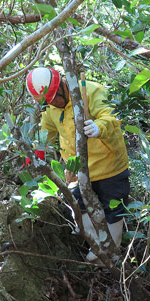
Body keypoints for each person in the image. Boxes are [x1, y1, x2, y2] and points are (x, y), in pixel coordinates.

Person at [25, 66, 130, 261]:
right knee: (77, 207)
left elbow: (111, 116)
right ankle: (98, 247)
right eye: (48, 100)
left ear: (63, 85)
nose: (53, 103)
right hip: (78, 171)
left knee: (114, 210)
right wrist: (36, 148)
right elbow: (46, 131)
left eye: (54, 96)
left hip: (110, 166)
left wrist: (99, 126)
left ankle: (112, 254)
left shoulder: (91, 91)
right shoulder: (51, 109)